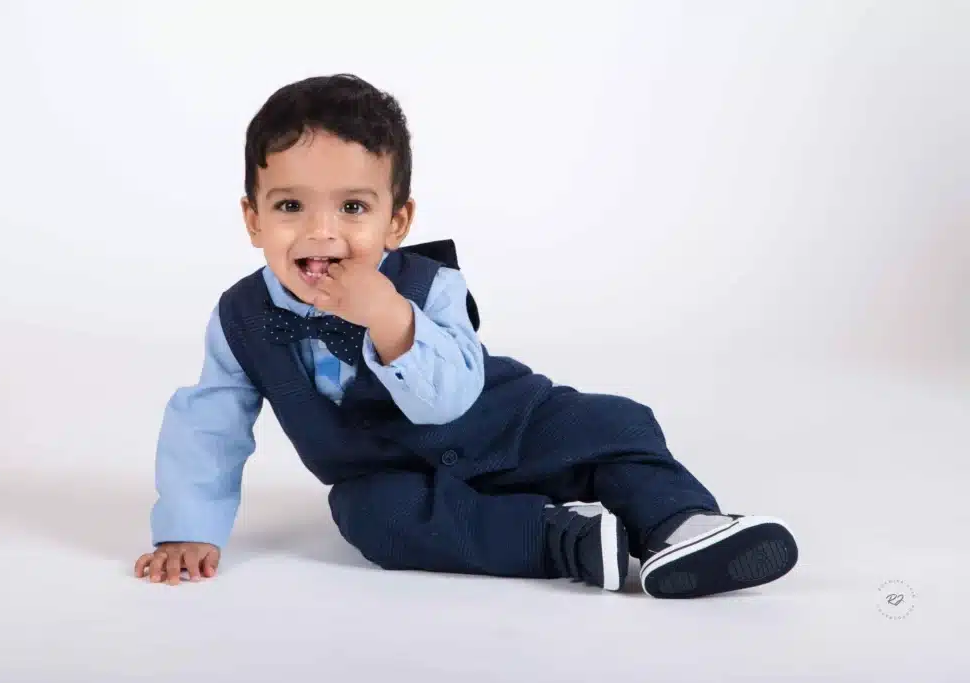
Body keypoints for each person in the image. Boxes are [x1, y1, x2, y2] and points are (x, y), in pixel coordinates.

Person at [133, 74, 798, 598]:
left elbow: (448, 397)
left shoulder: (431, 284)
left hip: (506, 426)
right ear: (252, 219)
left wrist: (391, 317)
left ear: (398, 220)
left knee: (610, 426)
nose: (321, 232)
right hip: (390, 476)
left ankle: (682, 523)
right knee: (372, 519)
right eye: (289, 206)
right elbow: (208, 424)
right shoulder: (241, 316)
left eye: (354, 207)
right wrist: (187, 529)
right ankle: (565, 541)